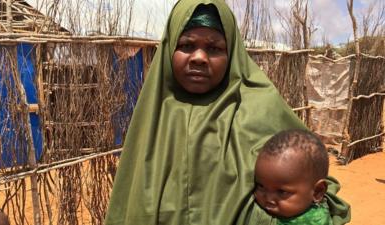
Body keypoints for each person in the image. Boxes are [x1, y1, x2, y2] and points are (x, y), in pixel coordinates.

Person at [105, 0, 350, 224]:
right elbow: (130, 203)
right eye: (187, 45)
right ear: (169, 49)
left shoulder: (261, 107)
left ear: (231, 53)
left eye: (213, 48)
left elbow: (314, 182)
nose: (199, 57)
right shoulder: (152, 116)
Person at [254, 129, 333, 225]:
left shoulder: (315, 221)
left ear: (317, 192)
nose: (268, 199)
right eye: (261, 186)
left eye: (282, 192)